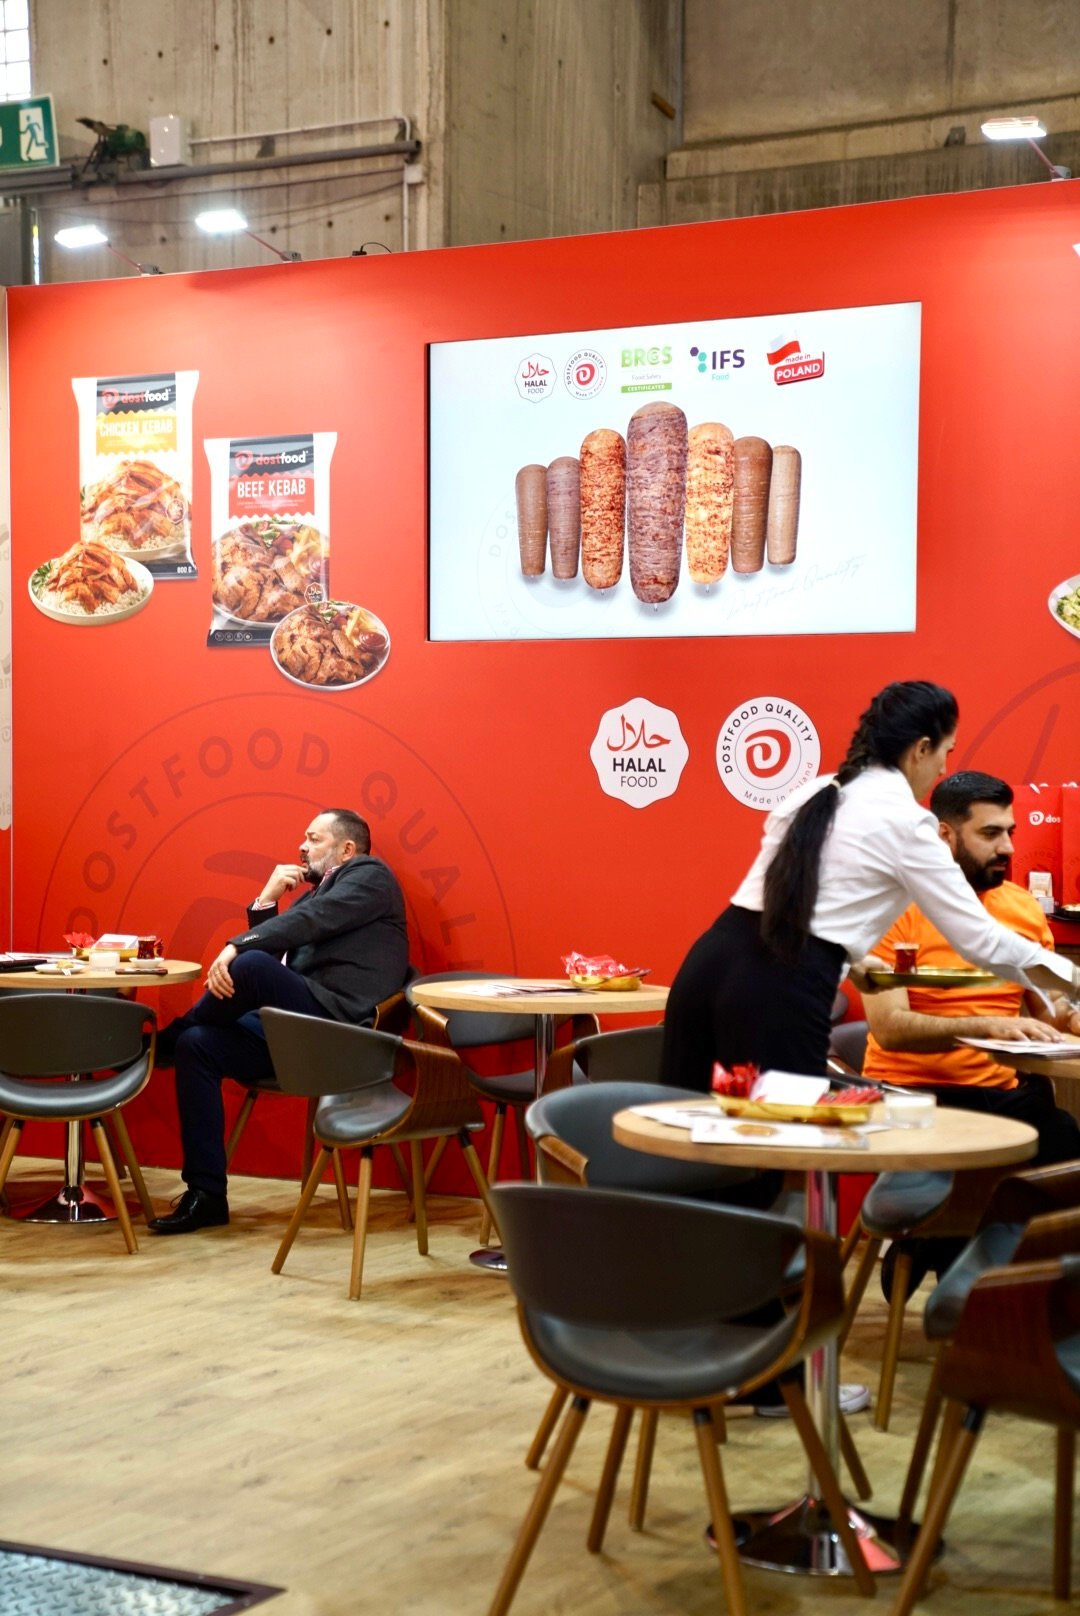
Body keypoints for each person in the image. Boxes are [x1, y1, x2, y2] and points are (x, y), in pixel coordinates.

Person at [661, 681, 1080, 1092]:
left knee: (683, 1121)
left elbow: (793, 902)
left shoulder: (814, 792)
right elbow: (982, 942)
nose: (943, 769)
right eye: (946, 752)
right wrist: (1073, 978)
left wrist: (855, 961)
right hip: (781, 984)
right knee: (785, 1130)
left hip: (709, 964)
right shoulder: (909, 823)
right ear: (921, 749)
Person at [150, 808, 409, 1234]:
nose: (302, 848)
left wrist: (236, 946)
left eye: (314, 839)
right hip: (297, 1029)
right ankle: (206, 1195)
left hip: (343, 1033)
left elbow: (303, 926)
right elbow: (280, 947)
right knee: (197, 1045)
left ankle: (162, 1046)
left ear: (347, 849)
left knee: (250, 966)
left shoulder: (370, 876)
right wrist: (266, 900)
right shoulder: (317, 894)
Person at [862, 769, 1080, 1163]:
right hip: (913, 1096)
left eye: (1010, 832)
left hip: (1004, 1095)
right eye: (990, 834)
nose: (1008, 847)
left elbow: (1053, 1009)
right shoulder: (890, 907)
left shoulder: (1023, 907)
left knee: (1064, 1143)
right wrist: (985, 1026)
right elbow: (889, 1028)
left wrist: (1073, 1016)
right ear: (944, 836)